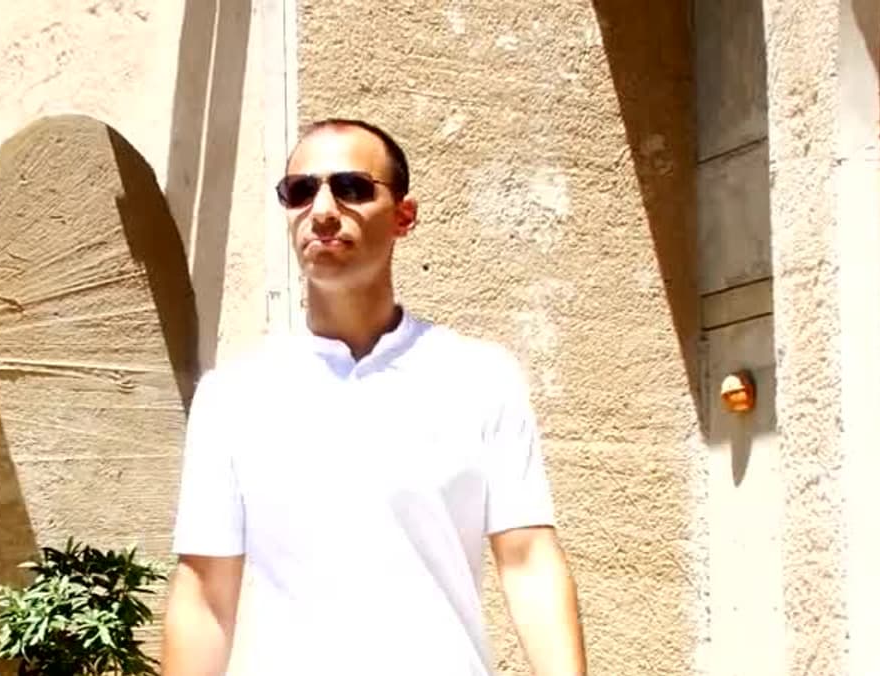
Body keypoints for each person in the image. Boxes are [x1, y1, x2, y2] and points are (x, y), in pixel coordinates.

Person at [159, 118, 588, 676]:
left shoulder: (480, 377)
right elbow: (205, 595)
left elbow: (528, 559)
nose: (322, 210)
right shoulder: (232, 397)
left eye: (352, 188)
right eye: (300, 191)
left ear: (403, 216)